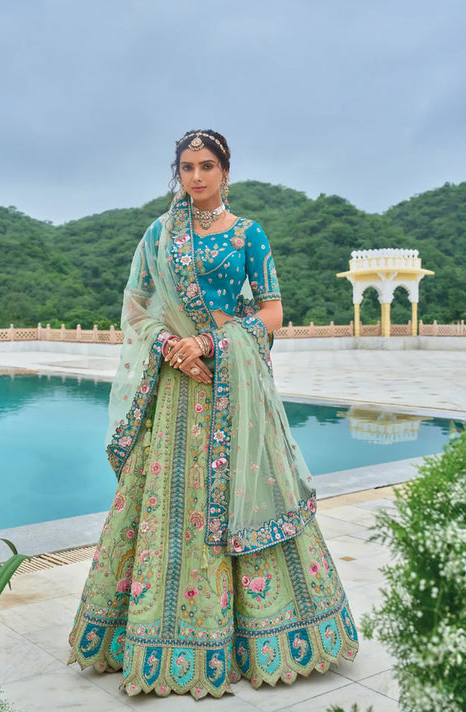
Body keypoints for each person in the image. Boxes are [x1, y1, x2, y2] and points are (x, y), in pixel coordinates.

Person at [68, 129, 359, 699]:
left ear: (226, 171)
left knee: (240, 499)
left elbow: (272, 313)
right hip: (174, 396)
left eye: (206, 166)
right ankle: (157, 642)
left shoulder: (250, 235)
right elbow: (135, 310)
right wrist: (171, 345)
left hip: (234, 395)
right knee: (169, 505)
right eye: (185, 167)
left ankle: (264, 640)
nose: (195, 177)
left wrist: (212, 345)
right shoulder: (159, 236)